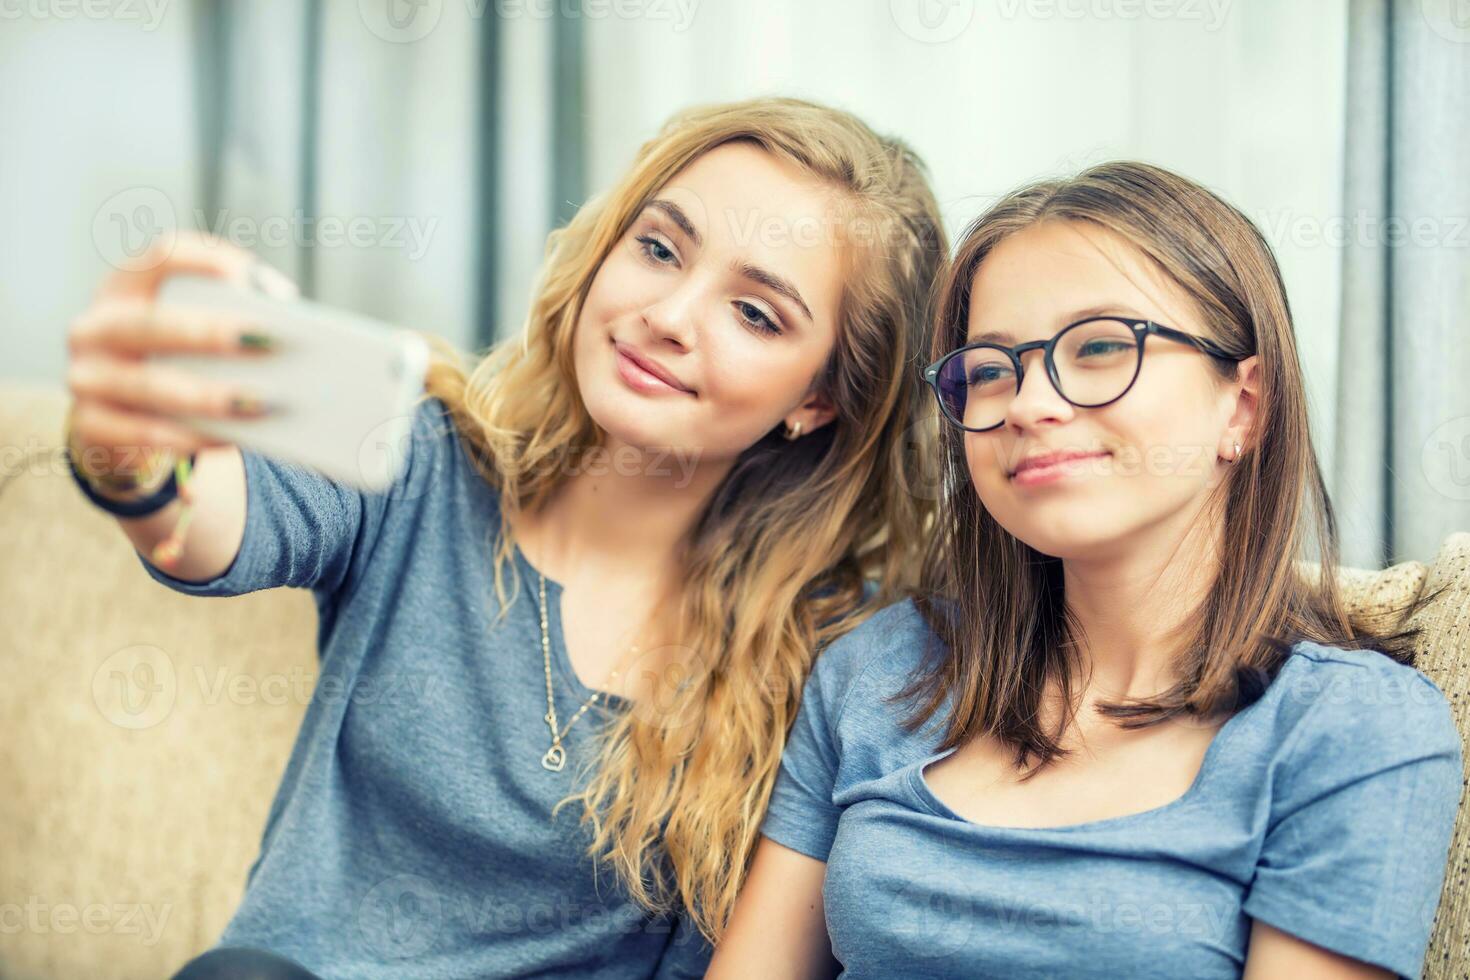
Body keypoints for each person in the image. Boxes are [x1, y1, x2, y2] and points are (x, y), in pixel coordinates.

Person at [63, 96, 947, 978]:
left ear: (818, 399)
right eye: (658, 248)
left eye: (755, 314)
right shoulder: (423, 463)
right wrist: (131, 440)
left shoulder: (838, 657)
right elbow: (196, 524)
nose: (670, 315)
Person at [711, 161, 1462, 979]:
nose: (1031, 404)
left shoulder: (1353, 729)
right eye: (992, 369)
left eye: (1102, 347)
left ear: (1244, 404)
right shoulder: (879, 669)